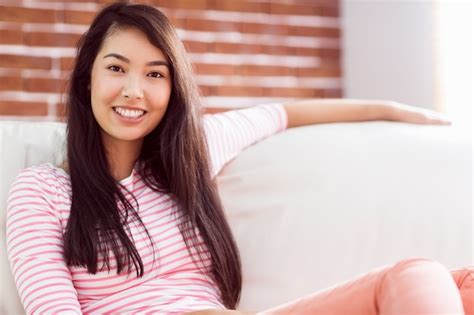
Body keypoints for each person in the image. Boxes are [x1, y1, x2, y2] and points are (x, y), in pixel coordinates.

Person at [5, 2, 472, 314]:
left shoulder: (188, 157)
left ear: (172, 89)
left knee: (439, 280)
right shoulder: (42, 191)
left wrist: (389, 109)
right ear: (87, 78)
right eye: (116, 68)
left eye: (155, 73)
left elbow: (280, 115)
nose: (134, 91)